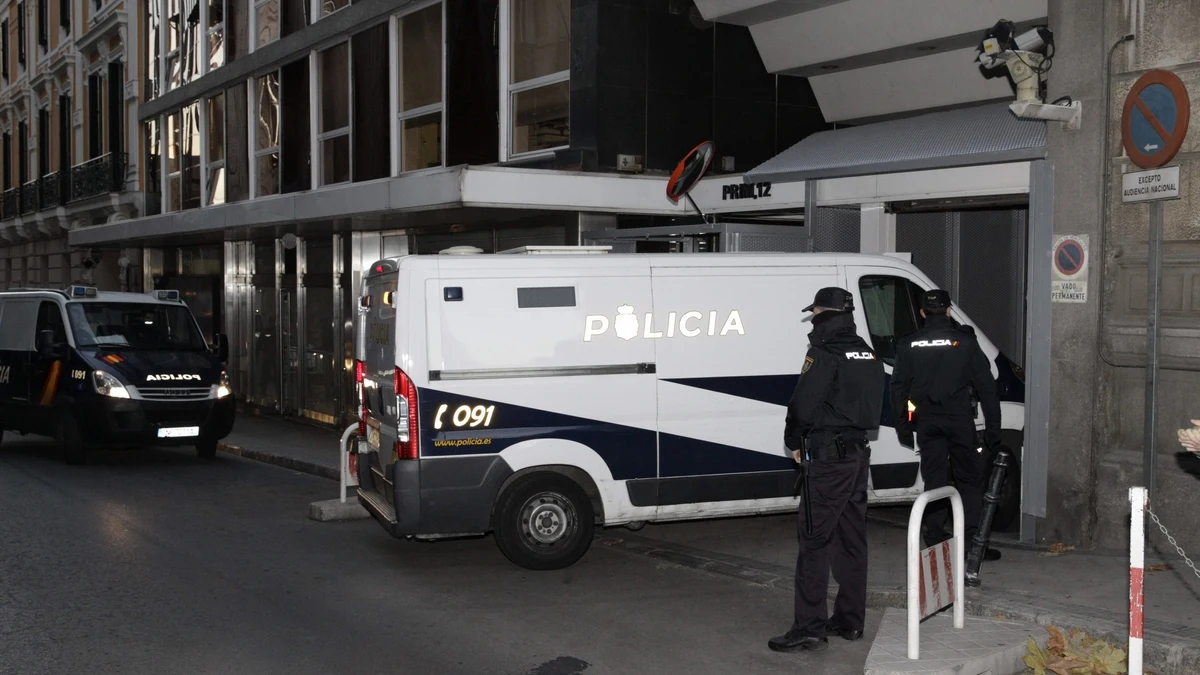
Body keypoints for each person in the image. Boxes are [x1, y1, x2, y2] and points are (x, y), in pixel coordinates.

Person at [769, 287, 884, 654]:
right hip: (856, 456)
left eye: (815, 311)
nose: (813, 317)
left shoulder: (823, 352)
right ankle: (850, 621)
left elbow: (803, 405)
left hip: (829, 460)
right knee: (852, 540)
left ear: (823, 312)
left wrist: (794, 441)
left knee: (815, 541)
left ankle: (808, 627)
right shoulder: (866, 352)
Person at [889, 289, 1001, 557]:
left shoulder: (908, 343)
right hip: (959, 421)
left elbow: (897, 390)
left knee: (935, 481)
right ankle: (972, 543)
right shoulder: (965, 342)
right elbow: (987, 388)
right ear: (949, 310)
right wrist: (994, 433)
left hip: (927, 423)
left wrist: (904, 429)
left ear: (922, 313)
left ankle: (936, 539)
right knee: (970, 481)